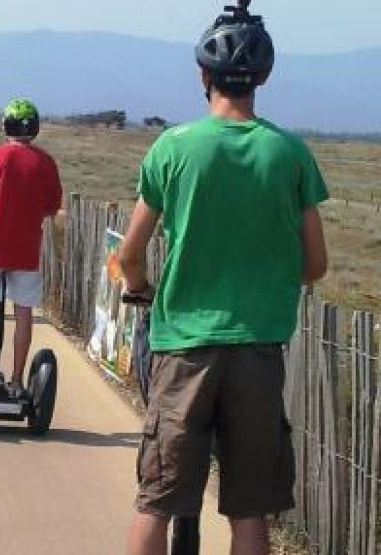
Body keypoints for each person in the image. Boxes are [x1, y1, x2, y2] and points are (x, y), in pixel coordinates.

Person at [118, 2, 329, 554]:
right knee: (248, 508)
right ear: (263, 77)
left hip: (184, 347)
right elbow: (316, 264)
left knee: (157, 500)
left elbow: (133, 252)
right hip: (257, 347)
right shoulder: (291, 153)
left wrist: (139, 287)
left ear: (202, 75)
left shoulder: (174, 148)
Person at [0, 99, 62, 397]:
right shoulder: (45, 162)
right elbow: (51, 207)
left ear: (7, 125)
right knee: (23, 312)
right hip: (26, 250)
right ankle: (17, 381)